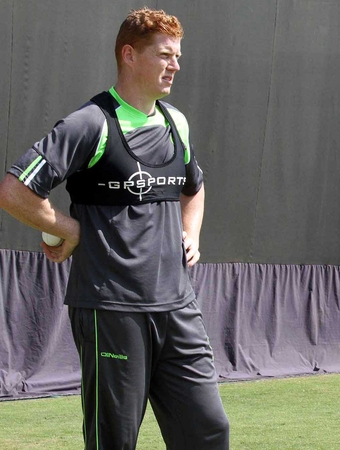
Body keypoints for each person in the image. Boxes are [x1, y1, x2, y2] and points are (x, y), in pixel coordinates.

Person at [0, 8, 229, 449]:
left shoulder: (175, 122)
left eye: (178, 56)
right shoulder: (91, 123)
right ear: (129, 54)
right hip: (111, 309)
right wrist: (71, 229)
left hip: (177, 308)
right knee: (114, 440)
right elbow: (14, 191)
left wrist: (192, 233)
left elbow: (194, 187)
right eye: (165, 55)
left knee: (209, 430)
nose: (175, 66)